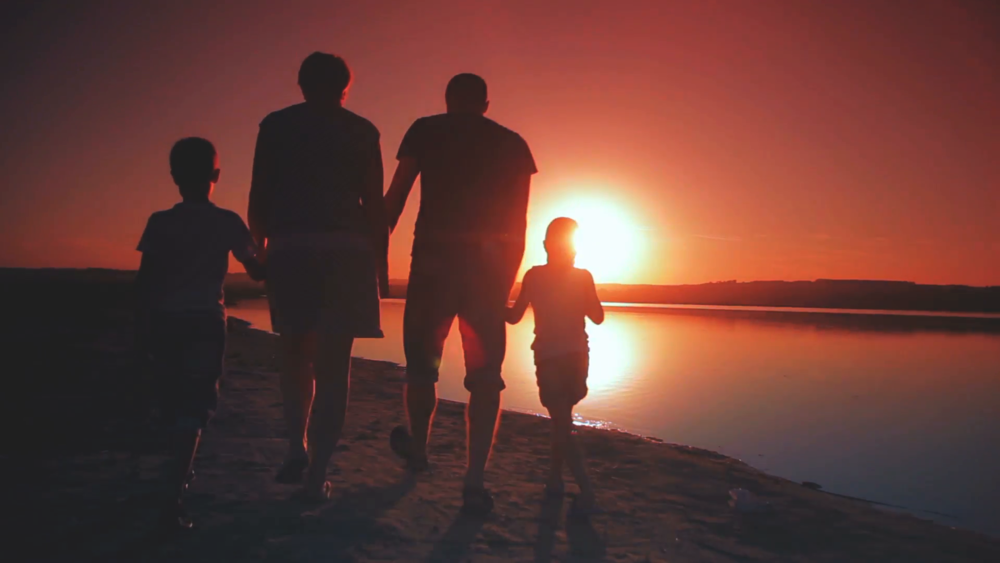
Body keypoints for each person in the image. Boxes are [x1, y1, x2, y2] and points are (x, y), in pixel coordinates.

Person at [385, 73, 536, 515]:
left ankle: (418, 450)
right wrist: (503, 283)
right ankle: (473, 481)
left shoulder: (425, 130)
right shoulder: (514, 144)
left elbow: (394, 200)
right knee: (486, 379)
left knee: (421, 367)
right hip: (486, 274)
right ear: (486, 103)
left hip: (432, 264)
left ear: (448, 100)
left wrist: (373, 252)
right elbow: (519, 224)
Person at [248, 52, 388, 502]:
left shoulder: (275, 125)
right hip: (346, 252)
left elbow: (260, 194)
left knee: (294, 355)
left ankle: (296, 446)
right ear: (345, 86)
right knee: (333, 369)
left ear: (301, 83)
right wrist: (381, 264)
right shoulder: (362, 131)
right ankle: (316, 475)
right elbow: (374, 206)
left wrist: (260, 250)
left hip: (290, 246)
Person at [135, 137, 265, 531]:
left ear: (174, 177)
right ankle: (174, 493)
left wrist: (142, 328)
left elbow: (146, 281)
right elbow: (256, 270)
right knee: (195, 404)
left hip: (166, 320)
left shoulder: (160, 222)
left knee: (174, 399)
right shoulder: (226, 222)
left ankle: (176, 473)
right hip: (206, 321)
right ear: (217, 175)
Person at [505, 217, 603, 516]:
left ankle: (584, 488)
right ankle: (555, 480)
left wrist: (489, 303)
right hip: (575, 357)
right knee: (562, 420)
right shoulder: (583, 276)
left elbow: (513, 317)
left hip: (550, 356)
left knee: (561, 421)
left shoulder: (534, 277)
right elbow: (598, 316)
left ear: (546, 244)